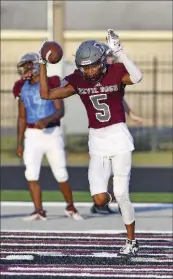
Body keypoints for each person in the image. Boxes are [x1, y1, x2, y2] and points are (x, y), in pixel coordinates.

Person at [39, 29, 142, 256]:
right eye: (84, 66)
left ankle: (132, 242)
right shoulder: (77, 79)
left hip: (119, 137)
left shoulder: (115, 72)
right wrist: (42, 63)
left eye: (92, 65)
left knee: (123, 194)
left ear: (103, 61)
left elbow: (137, 77)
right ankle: (114, 196)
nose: (89, 70)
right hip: (97, 141)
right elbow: (46, 95)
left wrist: (119, 51)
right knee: (99, 198)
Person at [13, 52, 83, 221]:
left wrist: (46, 120)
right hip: (32, 135)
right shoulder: (21, 87)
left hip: (52, 134)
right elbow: (22, 117)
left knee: (60, 173)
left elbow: (60, 110)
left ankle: (71, 207)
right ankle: (38, 210)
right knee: (31, 173)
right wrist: (19, 143)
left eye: (27, 65)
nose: (24, 69)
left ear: (36, 65)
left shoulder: (51, 82)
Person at [91, 45, 143, 214]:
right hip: (101, 130)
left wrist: (131, 114)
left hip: (112, 129)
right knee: (105, 170)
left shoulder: (111, 76)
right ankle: (105, 201)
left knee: (114, 170)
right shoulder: (100, 77)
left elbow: (119, 99)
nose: (111, 60)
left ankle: (117, 200)